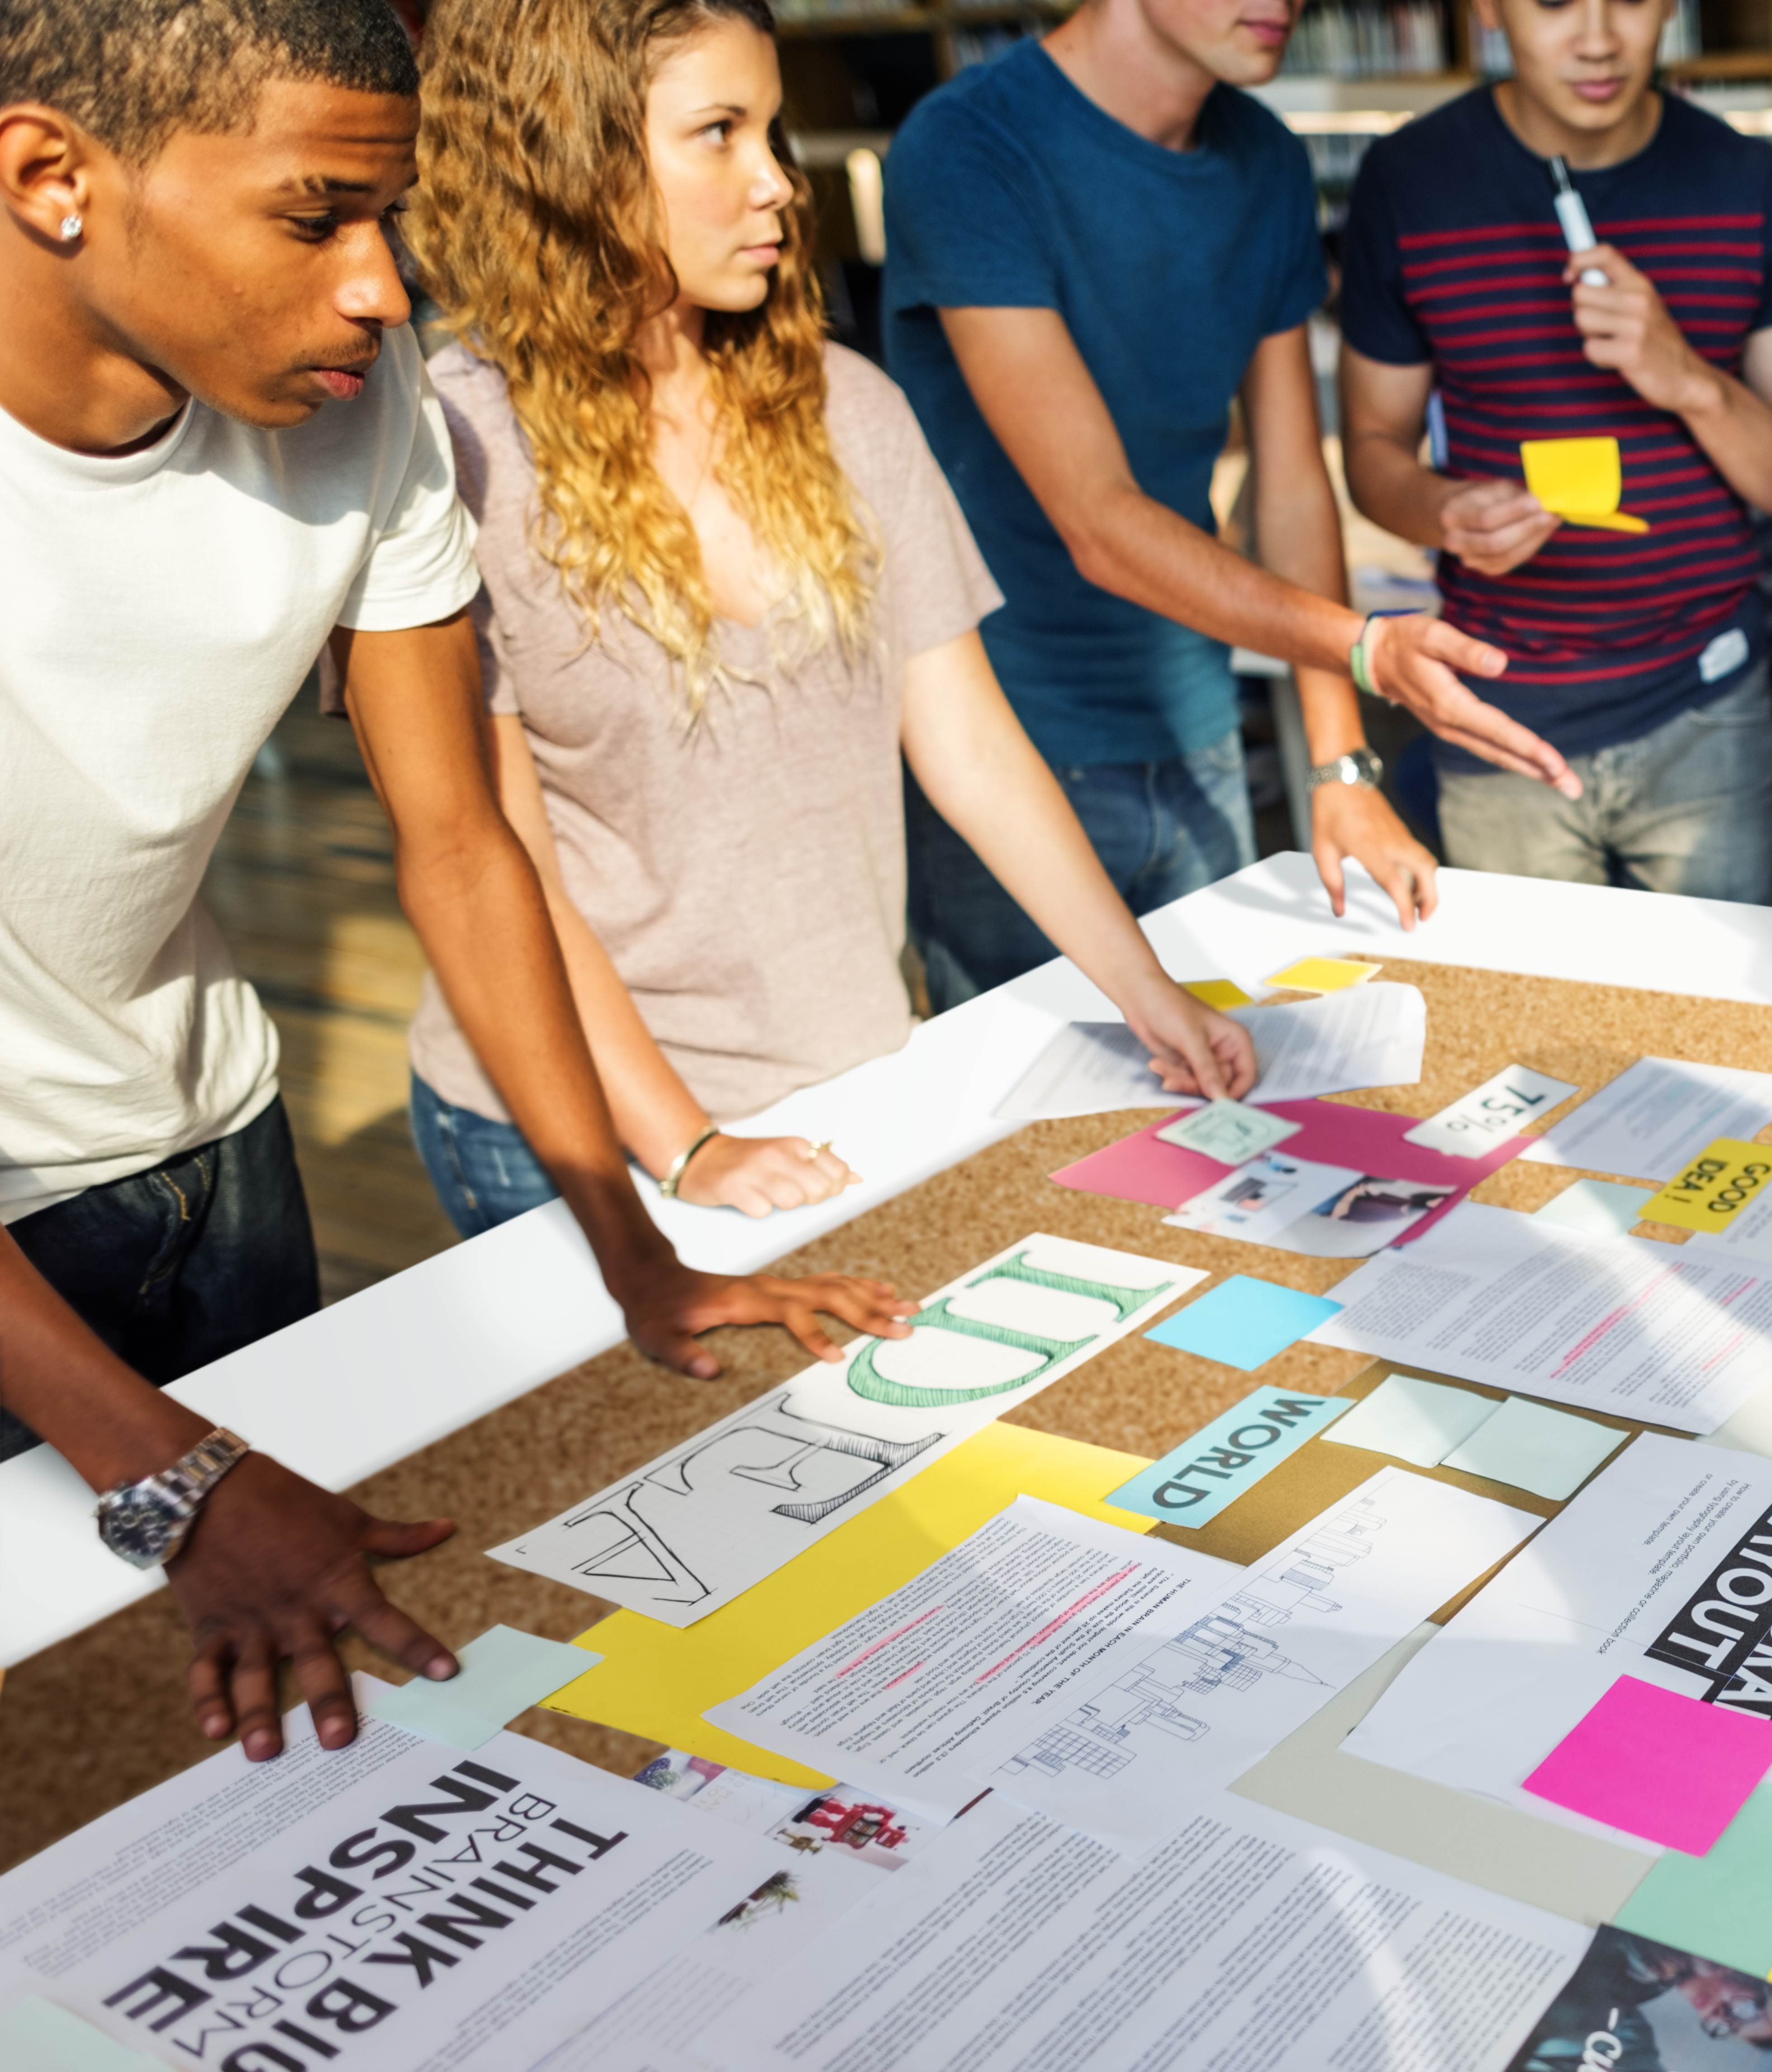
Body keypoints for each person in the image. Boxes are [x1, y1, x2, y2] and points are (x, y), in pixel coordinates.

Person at [0, 0, 905, 1763]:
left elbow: (464, 847)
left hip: (219, 1151)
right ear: (51, 178)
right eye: (313, 216)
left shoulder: (356, 393)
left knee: (274, 1720)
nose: (384, 289)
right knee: (55, 1766)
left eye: (388, 221)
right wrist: (166, 1472)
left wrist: (635, 1247)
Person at [397, 0, 1253, 1235]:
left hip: (847, 1087)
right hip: (567, 1128)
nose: (776, 186)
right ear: (570, 157)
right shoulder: (454, 455)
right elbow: (498, 860)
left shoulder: (850, 410)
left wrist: (1147, 992)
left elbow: (970, 747)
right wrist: (686, 1147)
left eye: (775, 134)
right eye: (718, 135)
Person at [880, 0, 1581, 1005]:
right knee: (1038, 1132)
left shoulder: (1265, 159)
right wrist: (1364, 648)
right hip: (1003, 751)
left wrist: (1342, 764)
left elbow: (1291, 484)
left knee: (1221, 1111)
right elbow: (1098, 522)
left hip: (1197, 728)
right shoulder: (969, 144)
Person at [1335, 0, 1772, 903]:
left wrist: (1684, 374)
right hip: (1495, 713)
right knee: (1537, 1037)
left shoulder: (1750, 183)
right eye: (1552, 3)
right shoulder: (1408, 181)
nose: (1597, 37)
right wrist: (1440, 510)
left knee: (1716, 1030)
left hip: (1706, 706)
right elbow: (1373, 446)